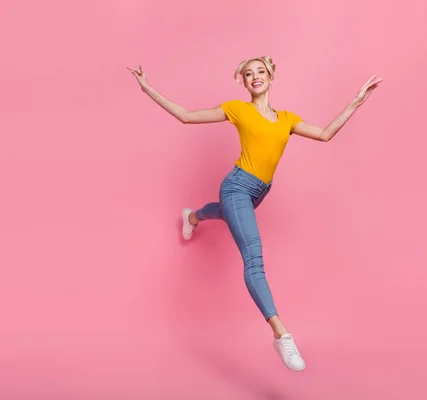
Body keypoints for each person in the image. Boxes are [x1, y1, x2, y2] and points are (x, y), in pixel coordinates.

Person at [128, 56, 382, 371]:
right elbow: (186, 116)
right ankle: (281, 334)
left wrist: (356, 101)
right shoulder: (238, 109)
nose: (255, 76)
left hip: (260, 191)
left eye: (260, 71)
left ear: (271, 76)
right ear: (244, 82)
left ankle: (191, 217)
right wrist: (147, 89)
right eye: (248, 74)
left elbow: (325, 134)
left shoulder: (287, 118)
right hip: (237, 186)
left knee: (222, 214)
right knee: (254, 258)